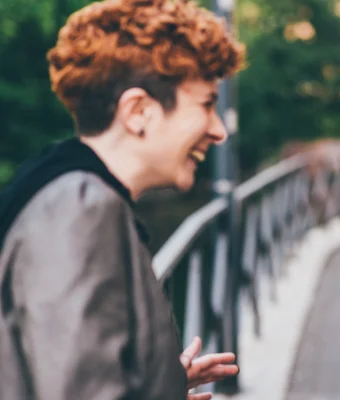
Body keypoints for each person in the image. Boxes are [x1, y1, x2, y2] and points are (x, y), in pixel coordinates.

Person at [0, 0, 245, 398]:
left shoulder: (63, 191)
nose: (218, 130)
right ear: (138, 111)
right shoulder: (80, 211)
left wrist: (160, 382)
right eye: (206, 104)